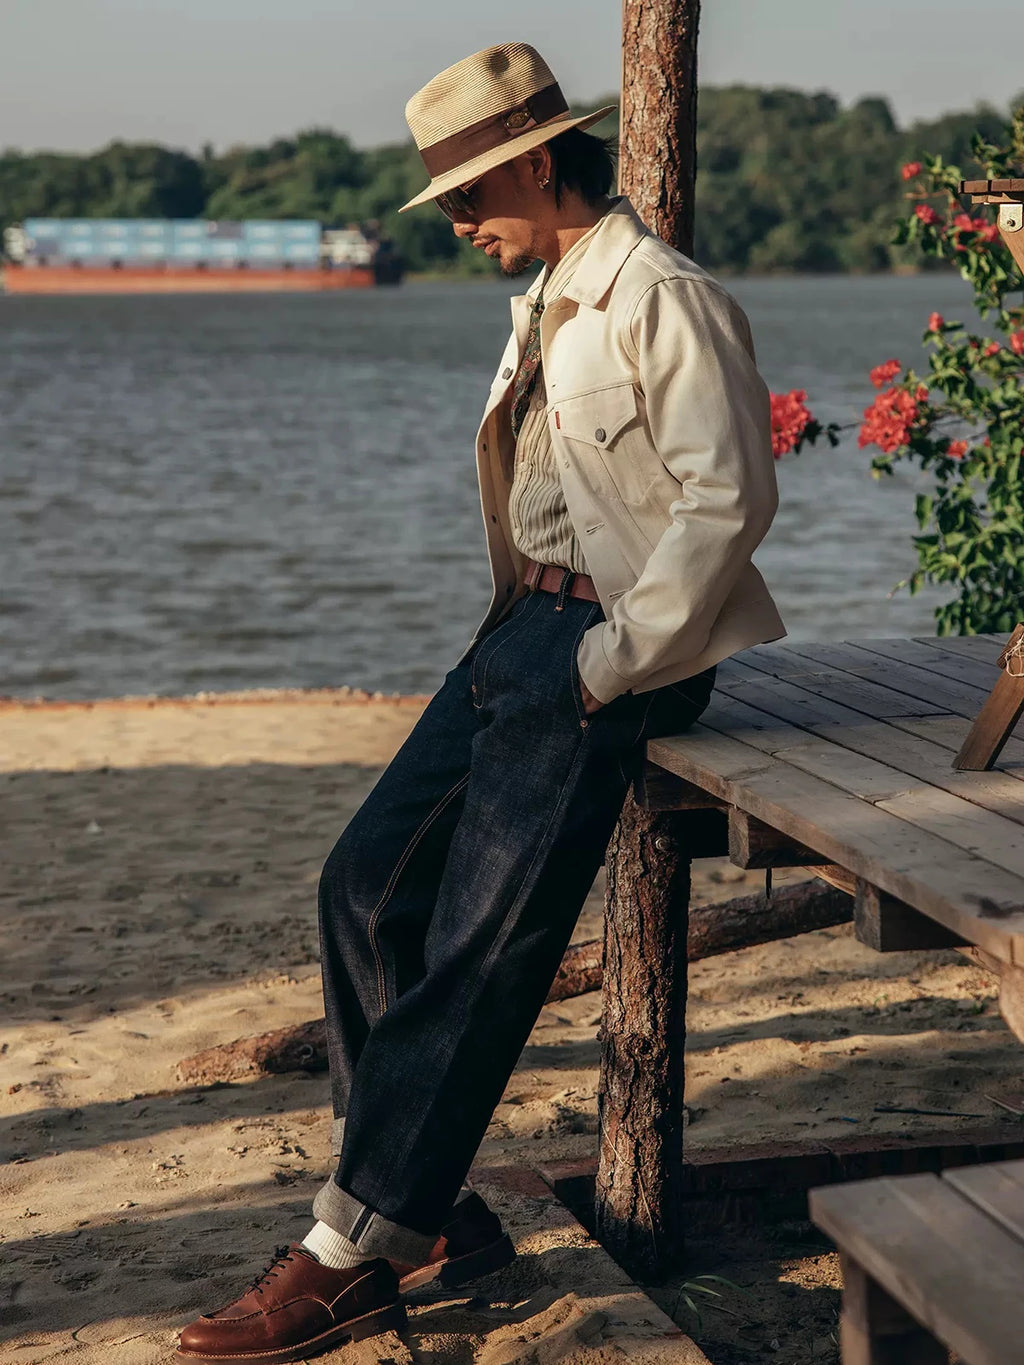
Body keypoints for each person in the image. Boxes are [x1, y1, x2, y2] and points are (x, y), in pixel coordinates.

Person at [177, 39, 786, 1365]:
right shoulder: (552, 293)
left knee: (478, 951)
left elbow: (728, 498)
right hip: (523, 633)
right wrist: (535, 641)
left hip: (608, 656)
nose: (458, 229)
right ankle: (434, 1203)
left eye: (464, 202)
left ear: (527, 164)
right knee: (364, 885)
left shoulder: (657, 298)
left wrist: (609, 662)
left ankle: (349, 1252)